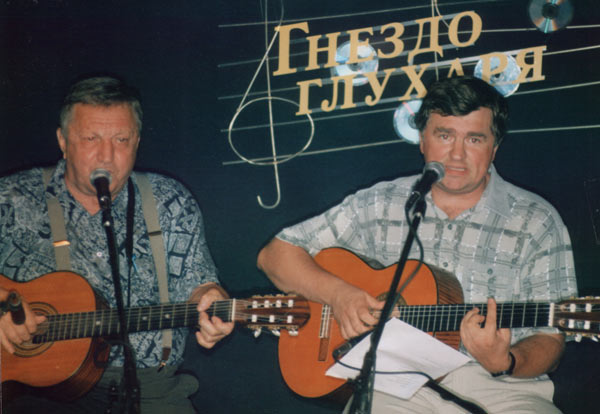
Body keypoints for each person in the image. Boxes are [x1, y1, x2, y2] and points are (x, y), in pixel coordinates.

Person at [257, 75, 578, 413]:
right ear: (423, 140)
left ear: (494, 147)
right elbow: (275, 255)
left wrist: (506, 361)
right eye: (444, 135)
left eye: (474, 139)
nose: (457, 154)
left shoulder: (536, 220)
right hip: (393, 387)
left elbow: (550, 338)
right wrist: (339, 295)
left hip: (503, 390)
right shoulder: (379, 202)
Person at [0, 75, 234, 413]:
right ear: (63, 140)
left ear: (137, 141)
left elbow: (200, 286)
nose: (106, 156)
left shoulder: (170, 201)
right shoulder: (10, 200)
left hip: (152, 389)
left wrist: (212, 298)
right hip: (35, 393)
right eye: (91, 138)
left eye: (121, 140)